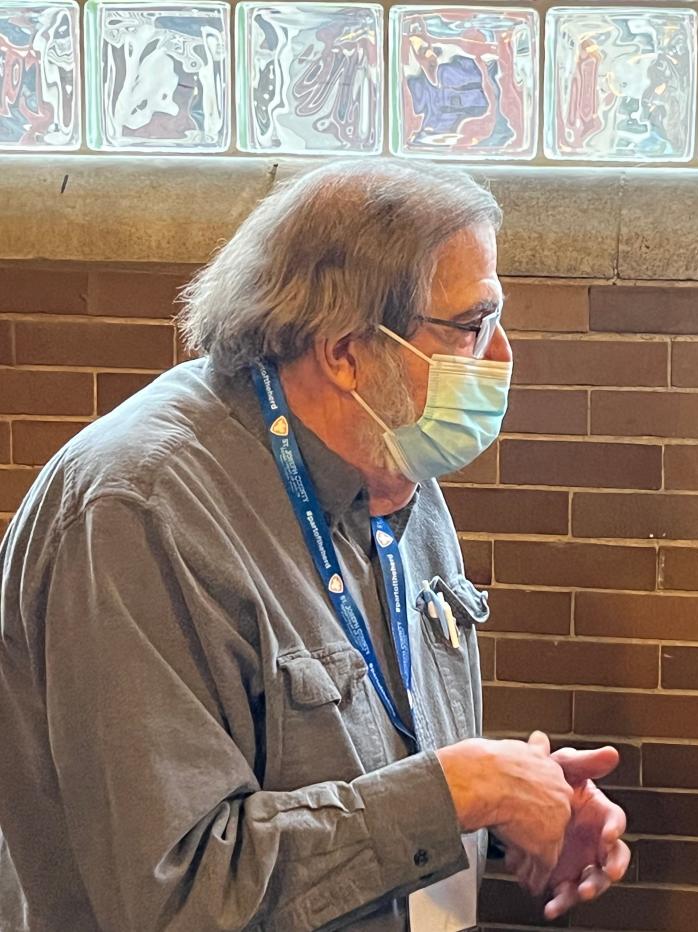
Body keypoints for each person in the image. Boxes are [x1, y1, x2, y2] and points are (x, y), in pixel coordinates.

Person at [0, 159, 629, 931]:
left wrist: (509, 803)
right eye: (472, 326)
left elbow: (352, 776)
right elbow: (181, 893)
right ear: (346, 351)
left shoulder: (393, 458)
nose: (501, 358)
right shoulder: (136, 514)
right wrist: (456, 792)